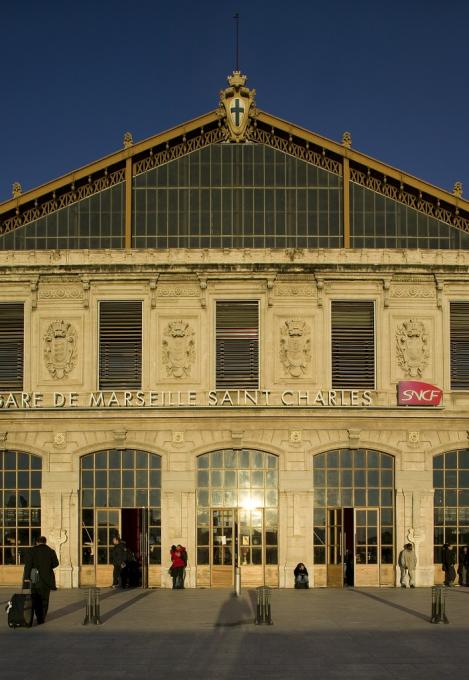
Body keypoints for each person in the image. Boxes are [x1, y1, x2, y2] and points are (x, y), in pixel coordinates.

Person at [23, 536, 59, 625]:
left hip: (35, 577)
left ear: (36, 542)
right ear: (45, 542)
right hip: (47, 578)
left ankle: (38, 616)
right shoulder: (50, 551)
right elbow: (56, 563)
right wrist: (46, 567)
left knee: (35, 598)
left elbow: (28, 565)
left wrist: (26, 578)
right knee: (45, 599)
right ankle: (42, 618)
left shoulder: (31, 551)